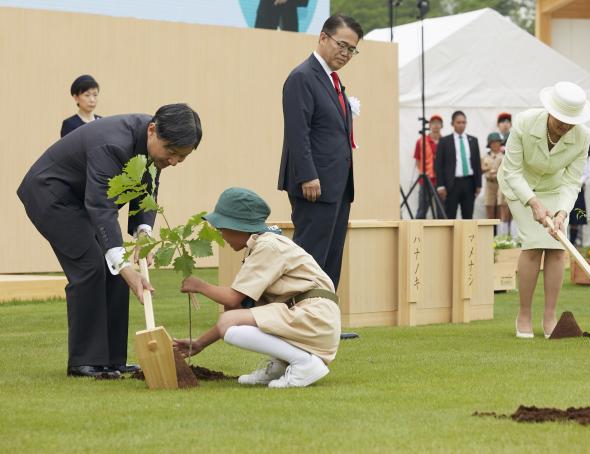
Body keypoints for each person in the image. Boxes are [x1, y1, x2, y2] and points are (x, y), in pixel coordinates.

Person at [17, 104, 202, 377]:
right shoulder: (113, 145)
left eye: (182, 157)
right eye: (172, 152)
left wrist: (144, 235)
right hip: (50, 195)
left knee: (115, 269)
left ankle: (113, 360)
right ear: (152, 130)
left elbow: (145, 191)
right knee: (92, 265)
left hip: (83, 200)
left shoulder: (154, 149)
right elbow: (101, 207)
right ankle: (84, 362)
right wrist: (126, 267)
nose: (173, 161)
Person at [174, 187, 340, 388]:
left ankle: (305, 364)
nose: (221, 234)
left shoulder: (267, 246)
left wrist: (199, 285)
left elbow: (231, 298)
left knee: (231, 321)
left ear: (237, 225)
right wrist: (199, 343)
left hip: (314, 317)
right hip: (307, 316)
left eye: (221, 226)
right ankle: (281, 365)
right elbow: (236, 307)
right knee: (234, 314)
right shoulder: (262, 245)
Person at [497, 81, 590, 338]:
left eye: (571, 122)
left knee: (558, 247)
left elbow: (572, 181)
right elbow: (512, 171)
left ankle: (550, 316)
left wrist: (561, 213)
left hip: (554, 190)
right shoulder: (525, 123)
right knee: (533, 244)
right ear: (551, 111)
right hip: (518, 186)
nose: (565, 127)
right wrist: (534, 203)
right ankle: (524, 314)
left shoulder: (582, 136)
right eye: (561, 120)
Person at [277, 14, 363, 289]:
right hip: (314, 185)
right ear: (323, 37)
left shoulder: (332, 81)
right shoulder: (302, 77)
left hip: (337, 186)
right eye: (342, 44)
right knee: (309, 258)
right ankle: (301, 320)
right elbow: (297, 131)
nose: (346, 53)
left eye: (352, 49)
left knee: (331, 258)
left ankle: (323, 323)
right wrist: (307, 176)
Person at [434, 111, 482, 219]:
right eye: (458, 122)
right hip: (452, 184)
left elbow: (477, 163)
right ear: (452, 124)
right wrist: (440, 186)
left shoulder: (473, 140)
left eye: (463, 122)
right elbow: (438, 165)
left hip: (469, 183)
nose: (461, 125)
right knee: (450, 215)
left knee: (468, 215)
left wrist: (478, 184)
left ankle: (467, 237)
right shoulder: (444, 141)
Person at [413, 114, 444, 219]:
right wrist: (423, 172)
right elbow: (417, 159)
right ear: (429, 125)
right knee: (422, 209)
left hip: (440, 181)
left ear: (441, 125)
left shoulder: (445, 141)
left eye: (438, 123)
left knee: (441, 210)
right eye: (433, 123)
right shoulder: (421, 141)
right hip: (425, 180)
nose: (436, 126)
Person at [481, 132, 510, 232]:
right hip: (489, 184)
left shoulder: (504, 156)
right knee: (489, 208)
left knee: (500, 209)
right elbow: (481, 169)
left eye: (497, 142)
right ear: (489, 144)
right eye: (492, 143)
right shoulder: (485, 157)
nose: (495, 145)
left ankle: (499, 234)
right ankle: (490, 234)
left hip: (500, 185)